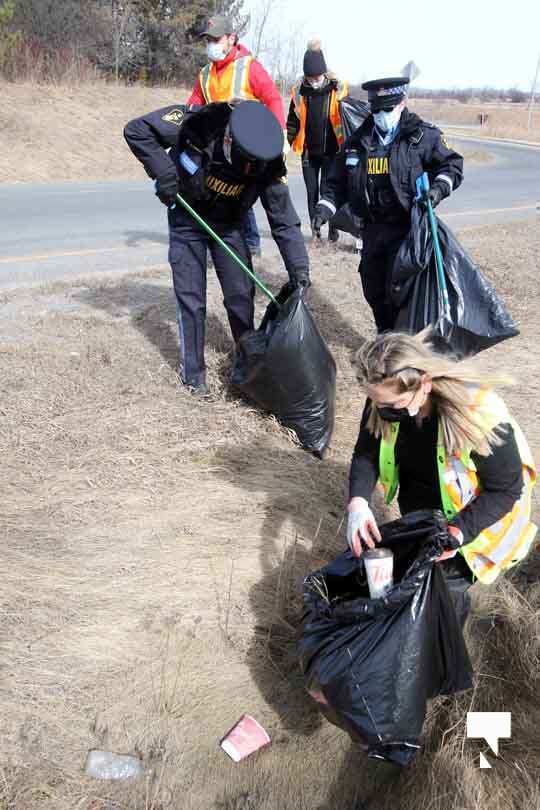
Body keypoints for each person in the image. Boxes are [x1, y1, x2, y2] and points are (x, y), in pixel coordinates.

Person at [346, 331, 536, 623]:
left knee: (442, 602)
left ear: (424, 384)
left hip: (479, 523)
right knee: (414, 585)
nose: (384, 412)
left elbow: (506, 490)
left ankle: (449, 659)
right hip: (426, 509)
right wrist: (358, 503)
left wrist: (457, 533)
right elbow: (366, 452)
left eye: (393, 406)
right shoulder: (384, 397)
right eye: (377, 403)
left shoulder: (478, 414)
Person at [124, 100, 310, 397]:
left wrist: (299, 269)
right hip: (187, 218)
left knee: (240, 293)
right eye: (242, 159)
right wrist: (165, 173)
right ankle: (194, 376)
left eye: (254, 165)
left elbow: (283, 220)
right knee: (191, 298)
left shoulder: (267, 158)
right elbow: (136, 131)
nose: (248, 168)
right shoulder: (200, 123)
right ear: (228, 138)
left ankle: (248, 361)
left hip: (229, 224)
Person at [313, 76, 463, 332]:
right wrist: (325, 207)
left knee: (399, 289)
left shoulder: (421, 136)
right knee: (373, 288)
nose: (381, 115)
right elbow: (336, 181)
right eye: (376, 109)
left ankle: (403, 343)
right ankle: (385, 335)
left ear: (402, 103)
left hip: (406, 229)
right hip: (372, 229)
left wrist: (437, 190)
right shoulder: (358, 143)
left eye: (387, 109)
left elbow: (451, 165)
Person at [188, 14, 287, 258]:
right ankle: (223, 243)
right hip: (217, 148)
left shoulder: (249, 67)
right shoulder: (205, 74)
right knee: (218, 195)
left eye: (216, 39)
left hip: (245, 147)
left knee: (240, 194)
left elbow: (272, 98)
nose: (211, 44)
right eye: (208, 40)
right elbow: (193, 104)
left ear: (231, 38)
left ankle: (252, 243)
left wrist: (280, 135)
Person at [287, 40, 348, 243]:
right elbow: (292, 122)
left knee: (327, 192)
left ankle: (333, 228)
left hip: (332, 151)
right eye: (310, 77)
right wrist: (288, 144)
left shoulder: (337, 90)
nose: (314, 81)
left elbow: (348, 119)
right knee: (312, 193)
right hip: (308, 153)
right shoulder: (299, 92)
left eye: (317, 77)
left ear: (324, 73)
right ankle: (315, 231)